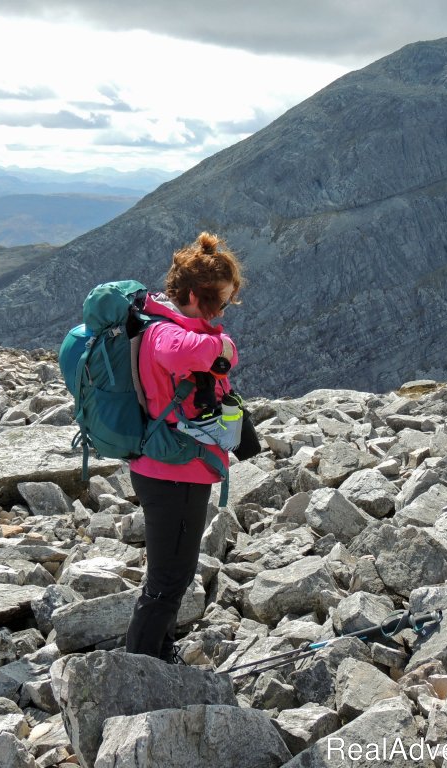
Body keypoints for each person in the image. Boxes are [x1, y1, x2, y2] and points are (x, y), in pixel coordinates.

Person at [125, 231, 244, 662]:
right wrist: (224, 346)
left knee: (172, 573)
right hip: (171, 473)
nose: (225, 311)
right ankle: (140, 669)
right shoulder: (164, 333)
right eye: (222, 302)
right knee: (168, 579)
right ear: (195, 295)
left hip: (174, 467)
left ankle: (159, 652)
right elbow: (185, 354)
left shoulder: (165, 324)